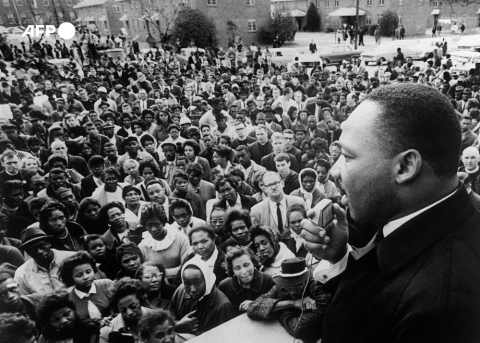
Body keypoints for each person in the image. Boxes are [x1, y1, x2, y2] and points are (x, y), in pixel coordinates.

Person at [301, 83, 480, 342]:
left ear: (406, 166)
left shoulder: (441, 309)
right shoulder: (409, 217)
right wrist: (339, 258)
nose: (334, 172)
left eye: (347, 156)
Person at [247, 258, 330, 343]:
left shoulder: (319, 291)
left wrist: (278, 310)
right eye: (288, 284)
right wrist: (291, 303)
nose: (292, 291)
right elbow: (252, 308)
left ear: (306, 281)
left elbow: (297, 328)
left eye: (297, 285)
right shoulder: (280, 287)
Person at [169, 257, 235, 335]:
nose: (192, 289)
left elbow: (226, 337)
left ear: (207, 279)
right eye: (187, 284)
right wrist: (177, 326)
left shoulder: (223, 306)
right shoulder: (180, 290)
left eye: (197, 283)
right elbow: (169, 317)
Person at [15, 227, 76, 295]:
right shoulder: (21, 274)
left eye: (42, 246)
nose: (39, 252)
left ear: (49, 243)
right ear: (27, 252)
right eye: (33, 249)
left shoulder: (72, 258)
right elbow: (25, 300)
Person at [138, 203, 190, 281]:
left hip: (180, 280)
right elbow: (145, 272)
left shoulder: (181, 238)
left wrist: (159, 273)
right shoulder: (143, 246)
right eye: (149, 225)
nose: (154, 229)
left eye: (157, 224)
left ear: (163, 222)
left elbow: (186, 266)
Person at [58, 251, 114, 322]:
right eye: (79, 275)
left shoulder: (106, 284)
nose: (86, 277)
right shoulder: (68, 298)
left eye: (88, 272)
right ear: (71, 278)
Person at [218, 247, 274, 317]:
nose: (244, 272)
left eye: (246, 265)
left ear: (253, 263)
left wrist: (256, 305)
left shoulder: (268, 280)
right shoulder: (224, 286)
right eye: (237, 268)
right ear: (232, 270)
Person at [100, 277, 153, 343]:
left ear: (140, 299)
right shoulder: (109, 331)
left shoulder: (158, 318)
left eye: (133, 306)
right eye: (123, 310)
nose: (129, 313)